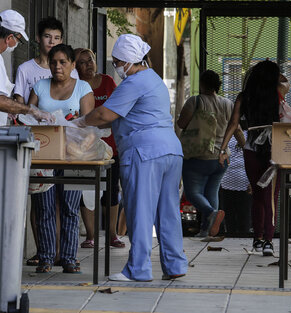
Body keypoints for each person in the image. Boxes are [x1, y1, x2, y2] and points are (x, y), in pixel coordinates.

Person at [73, 34, 188, 282]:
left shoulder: (133, 82)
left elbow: (104, 114)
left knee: (140, 211)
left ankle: (139, 269)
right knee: (168, 212)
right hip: (170, 151)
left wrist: (80, 122)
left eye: (117, 62)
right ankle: (175, 264)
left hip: (145, 153)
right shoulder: (154, 79)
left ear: (128, 61)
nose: (116, 67)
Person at [13, 17, 78, 267]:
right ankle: (45, 253)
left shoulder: (75, 80)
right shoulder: (29, 73)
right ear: (38, 39)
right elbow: (20, 106)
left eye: (57, 38)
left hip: (69, 147)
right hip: (40, 144)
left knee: (67, 204)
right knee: (42, 202)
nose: (52, 42)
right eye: (48, 37)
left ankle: (65, 254)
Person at [28, 44, 94, 273]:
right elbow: (27, 119)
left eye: (63, 62)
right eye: (53, 62)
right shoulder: (39, 87)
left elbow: (90, 126)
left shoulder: (83, 88)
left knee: (69, 207)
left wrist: (80, 149)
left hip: (71, 158)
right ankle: (46, 257)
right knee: (44, 207)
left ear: (72, 65)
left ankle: (68, 258)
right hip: (44, 156)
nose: (57, 66)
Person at [219, 60, 290, 256]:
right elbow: (285, 81)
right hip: (274, 151)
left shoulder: (244, 96)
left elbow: (233, 124)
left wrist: (222, 149)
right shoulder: (278, 93)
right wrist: (275, 75)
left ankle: (257, 238)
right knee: (272, 198)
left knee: (258, 196)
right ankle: (268, 240)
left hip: (251, 151)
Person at [177, 70, 241, 238]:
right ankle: (207, 230)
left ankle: (211, 213)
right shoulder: (228, 103)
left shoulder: (195, 102)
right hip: (221, 157)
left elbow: (182, 123)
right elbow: (237, 128)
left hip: (199, 155)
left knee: (192, 193)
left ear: (202, 84)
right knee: (212, 192)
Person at [74, 48, 125, 249]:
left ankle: (112, 234)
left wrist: (99, 123)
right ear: (75, 67)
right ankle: (91, 235)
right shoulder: (76, 86)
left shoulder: (107, 82)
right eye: (83, 62)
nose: (89, 65)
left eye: (91, 60)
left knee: (111, 192)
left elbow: (115, 111)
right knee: (86, 190)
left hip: (110, 148)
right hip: (82, 147)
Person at [0, 9, 51, 126]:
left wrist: (9, 107)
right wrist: (32, 111)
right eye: (18, 40)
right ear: (9, 38)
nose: (17, 44)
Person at [219, 131, 252, 235]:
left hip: (245, 182)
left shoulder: (250, 135)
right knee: (229, 218)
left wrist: (253, 180)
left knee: (245, 218)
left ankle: (244, 239)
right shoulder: (225, 134)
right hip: (226, 182)